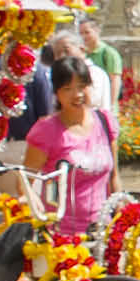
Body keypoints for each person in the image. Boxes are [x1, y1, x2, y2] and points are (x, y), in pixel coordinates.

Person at [22, 56, 120, 241]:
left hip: (102, 232)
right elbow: (25, 180)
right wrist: (38, 211)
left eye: (82, 86)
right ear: (57, 93)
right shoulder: (46, 130)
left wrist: (121, 216)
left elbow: (114, 176)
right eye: (68, 89)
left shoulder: (106, 122)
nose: (77, 95)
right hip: (61, 236)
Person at [77, 19, 123, 106]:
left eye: (87, 32)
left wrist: (111, 106)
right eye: (81, 33)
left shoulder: (109, 53)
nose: (83, 36)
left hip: (105, 106)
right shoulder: (83, 54)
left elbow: (115, 81)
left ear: (97, 31)